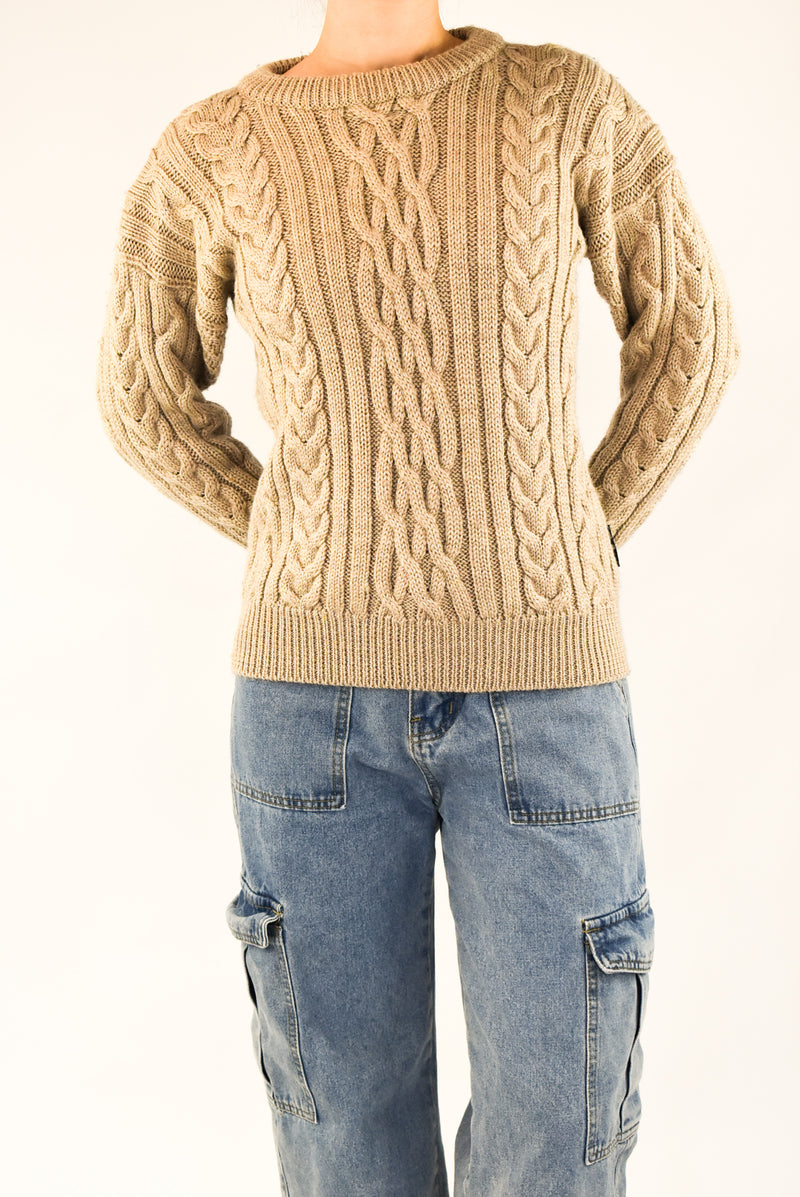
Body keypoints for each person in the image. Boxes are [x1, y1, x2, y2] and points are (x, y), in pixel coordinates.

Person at [95, 1, 741, 1193]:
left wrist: (569, 537)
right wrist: (309, 539)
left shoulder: (560, 101)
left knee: (560, 1139)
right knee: (342, 1138)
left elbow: (691, 340)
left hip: (545, 696)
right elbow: (141, 398)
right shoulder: (216, 145)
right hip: (310, 711)